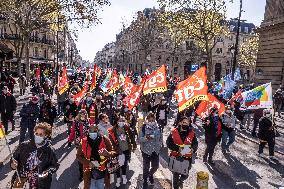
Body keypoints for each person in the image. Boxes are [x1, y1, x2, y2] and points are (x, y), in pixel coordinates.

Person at [10, 122, 59, 189]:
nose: (38, 136)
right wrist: (13, 164)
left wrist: (48, 171)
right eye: (36, 133)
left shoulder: (49, 150)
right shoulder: (24, 145)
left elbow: (55, 165)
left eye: (41, 134)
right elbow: (14, 158)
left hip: (39, 182)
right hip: (21, 178)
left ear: (46, 135)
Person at [77, 125, 115, 189]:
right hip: (89, 172)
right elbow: (78, 156)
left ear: (98, 130)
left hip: (103, 171)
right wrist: (88, 163)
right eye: (90, 131)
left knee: (101, 186)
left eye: (94, 131)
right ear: (88, 131)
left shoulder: (104, 139)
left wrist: (108, 153)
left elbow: (113, 152)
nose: (93, 133)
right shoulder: (83, 141)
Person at [166, 117, 198, 189]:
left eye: (187, 123)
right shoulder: (174, 132)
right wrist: (177, 148)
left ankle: (181, 180)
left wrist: (193, 149)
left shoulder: (192, 133)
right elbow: (168, 143)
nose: (185, 124)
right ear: (180, 123)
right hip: (176, 157)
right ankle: (176, 186)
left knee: (185, 174)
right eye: (184, 122)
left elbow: (195, 143)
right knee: (176, 175)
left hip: (187, 158)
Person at [108, 116, 137, 187]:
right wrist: (118, 150)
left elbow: (132, 137)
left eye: (123, 120)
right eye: (120, 121)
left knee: (124, 164)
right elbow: (111, 143)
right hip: (117, 151)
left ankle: (124, 176)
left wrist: (134, 145)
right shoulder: (112, 131)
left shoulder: (127, 128)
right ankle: (118, 178)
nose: (121, 122)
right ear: (117, 122)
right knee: (117, 165)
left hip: (126, 149)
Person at [139, 112, 162, 189]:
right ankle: (145, 180)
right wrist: (146, 138)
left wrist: (159, 145)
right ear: (147, 120)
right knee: (146, 166)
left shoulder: (158, 127)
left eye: (153, 120)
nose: (151, 122)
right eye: (150, 120)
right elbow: (139, 139)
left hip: (155, 150)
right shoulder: (143, 127)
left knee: (155, 166)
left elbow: (160, 138)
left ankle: (150, 174)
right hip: (146, 151)